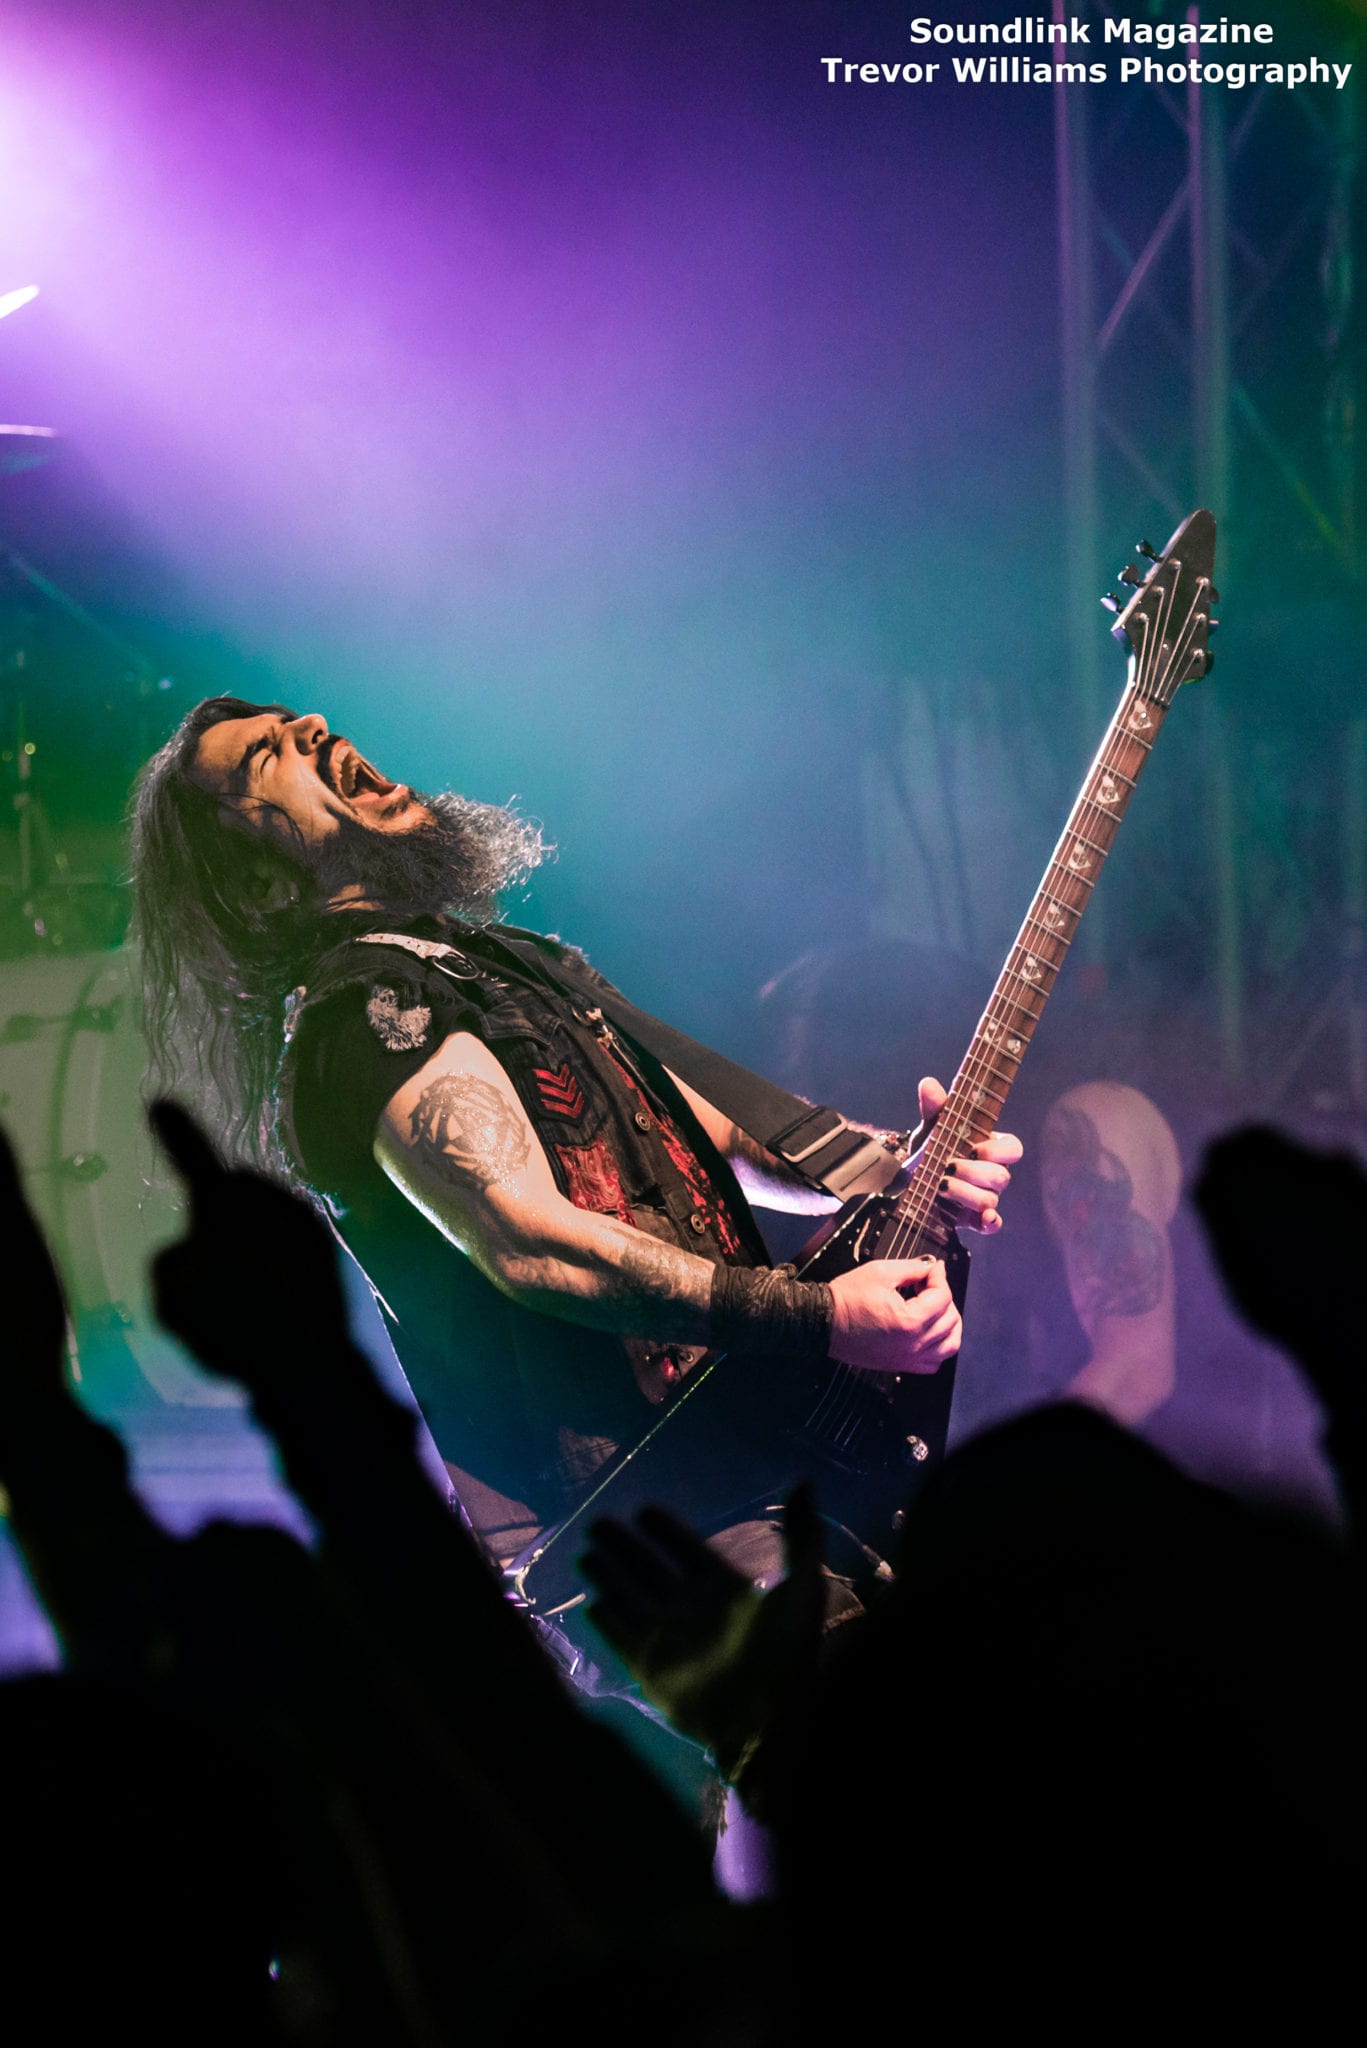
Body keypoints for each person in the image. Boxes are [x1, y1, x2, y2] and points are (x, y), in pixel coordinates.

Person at [130, 698, 1020, 1593]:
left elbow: (718, 1133)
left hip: (749, 1453)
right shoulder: (364, 1012)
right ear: (260, 887)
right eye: (266, 756)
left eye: (298, 721)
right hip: (634, 1530)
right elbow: (530, 1243)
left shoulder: (513, 962)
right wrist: (821, 1318)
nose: (314, 727)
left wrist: (892, 1165)